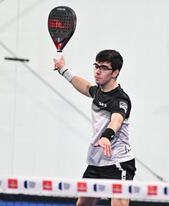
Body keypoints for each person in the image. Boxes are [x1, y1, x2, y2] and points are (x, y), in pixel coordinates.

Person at [53, 49, 136, 206]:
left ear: (115, 73)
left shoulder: (120, 100)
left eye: (104, 68)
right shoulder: (98, 92)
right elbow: (85, 87)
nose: (98, 71)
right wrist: (63, 70)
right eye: (96, 66)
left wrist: (106, 136)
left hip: (118, 163)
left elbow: (116, 120)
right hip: (96, 163)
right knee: (83, 204)